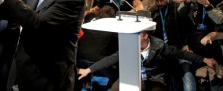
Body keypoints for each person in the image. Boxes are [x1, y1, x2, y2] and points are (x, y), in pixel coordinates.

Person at [77, 32, 217, 91]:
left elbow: (181, 54)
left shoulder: (160, 47)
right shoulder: (130, 45)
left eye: (136, 35)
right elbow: (112, 58)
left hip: (156, 79)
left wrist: (204, 59)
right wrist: (88, 70)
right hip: (134, 77)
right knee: (115, 88)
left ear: (145, 36)